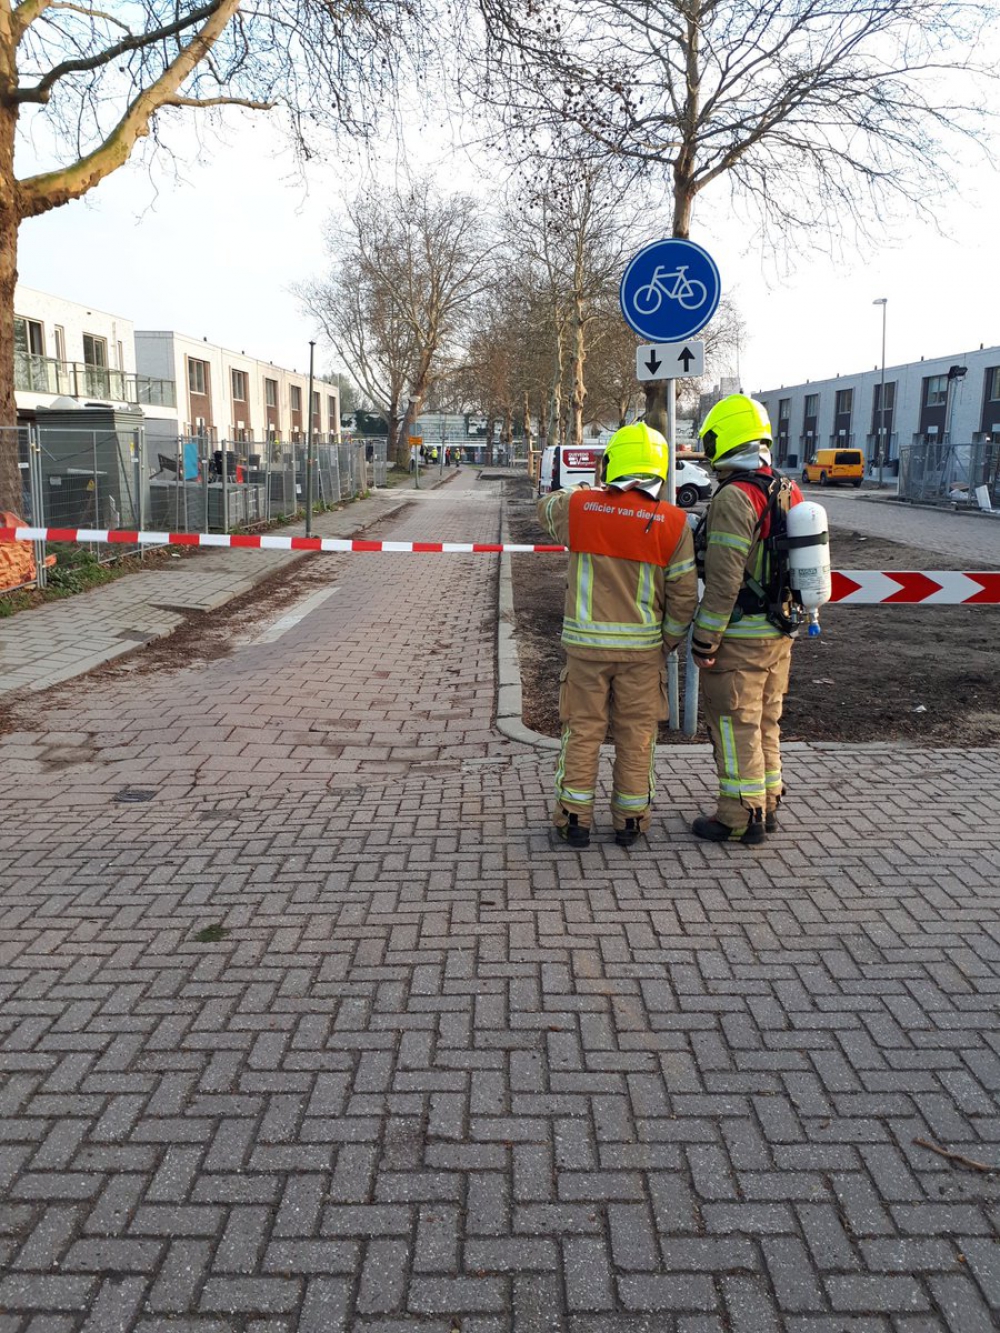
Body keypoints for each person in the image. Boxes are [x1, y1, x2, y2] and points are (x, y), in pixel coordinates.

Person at [537, 422, 699, 848]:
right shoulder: (673, 523)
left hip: (586, 651)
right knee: (637, 734)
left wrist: (584, 490)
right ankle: (631, 821)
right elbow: (683, 599)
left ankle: (574, 819)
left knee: (583, 730)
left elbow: (547, 507)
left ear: (612, 463)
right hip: (643, 654)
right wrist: (666, 643)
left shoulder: (582, 508)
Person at [691, 394, 803, 845]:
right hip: (780, 633)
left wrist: (704, 639)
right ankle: (768, 802)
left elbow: (723, 581)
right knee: (766, 721)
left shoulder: (736, 497)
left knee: (735, 726)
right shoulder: (786, 487)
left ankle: (739, 816)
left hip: (740, 637)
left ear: (725, 437)